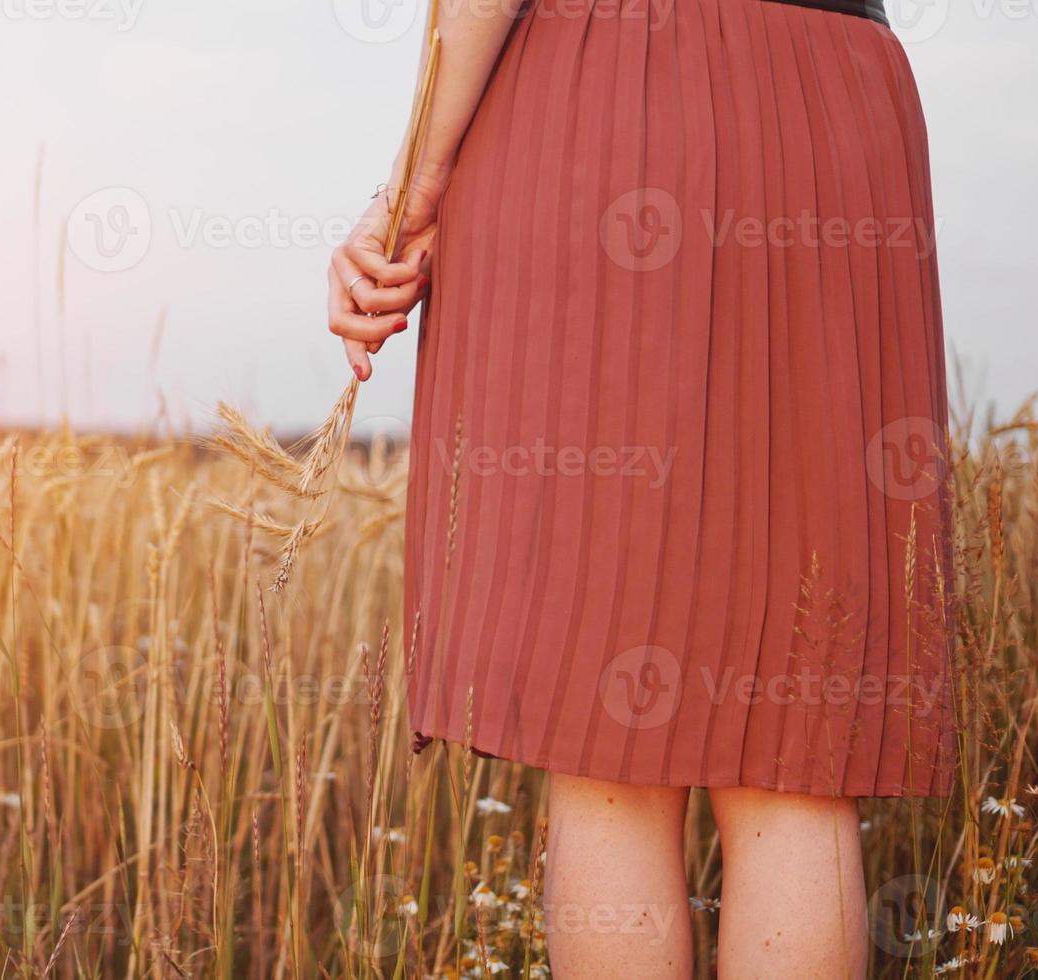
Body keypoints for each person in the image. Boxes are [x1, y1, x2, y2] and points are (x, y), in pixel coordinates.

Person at [327, 1, 956, 975]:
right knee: (799, 749)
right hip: (835, 104)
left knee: (606, 745)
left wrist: (410, 183)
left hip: (607, 94)